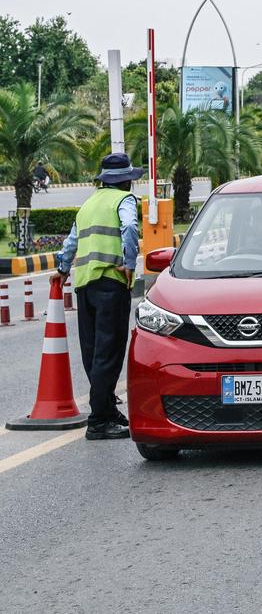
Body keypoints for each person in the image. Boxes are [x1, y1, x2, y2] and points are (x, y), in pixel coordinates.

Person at [53, 152, 142, 441]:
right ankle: (99, 420)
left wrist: (63, 268)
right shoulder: (124, 201)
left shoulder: (88, 204)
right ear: (126, 180)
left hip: (84, 284)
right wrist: (129, 264)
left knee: (93, 352)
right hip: (110, 281)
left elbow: (72, 240)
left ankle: (106, 407)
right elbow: (129, 227)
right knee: (110, 350)